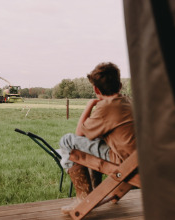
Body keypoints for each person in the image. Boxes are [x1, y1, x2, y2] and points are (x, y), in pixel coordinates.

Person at [59, 62, 136, 214]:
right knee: (95, 142)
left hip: (124, 161)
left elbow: (79, 133)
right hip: (138, 159)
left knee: (67, 140)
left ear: (95, 89)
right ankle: (95, 191)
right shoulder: (128, 102)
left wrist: (90, 105)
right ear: (120, 86)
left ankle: (83, 197)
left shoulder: (106, 106)